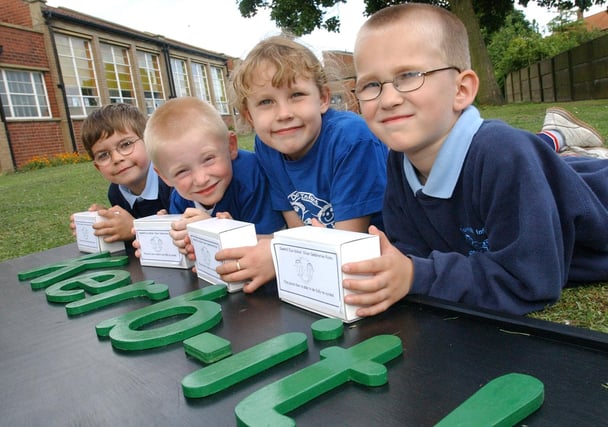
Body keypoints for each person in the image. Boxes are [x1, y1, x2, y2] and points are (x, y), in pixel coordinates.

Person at [342, 3, 608, 316]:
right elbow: (410, 251)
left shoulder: (503, 154)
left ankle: (570, 146)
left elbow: (530, 283)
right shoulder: (399, 162)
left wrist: (417, 276)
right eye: (371, 84)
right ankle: (559, 141)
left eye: (409, 75)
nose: (388, 99)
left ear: (462, 89)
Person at [214, 35, 389, 292]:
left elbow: (348, 245)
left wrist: (276, 256)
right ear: (249, 116)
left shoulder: (351, 139)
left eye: (296, 95)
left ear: (323, 99)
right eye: (266, 102)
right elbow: (299, 234)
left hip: (377, 273)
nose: (284, 114)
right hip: (323, 273)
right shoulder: (269, 146)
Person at [141, 97, 286, 257]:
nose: (201, 179)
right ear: (164, 176)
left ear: (231, 146)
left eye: (208, 159)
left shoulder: (251, 177)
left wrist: (216, 229)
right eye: (182, 171)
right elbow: (189, 252)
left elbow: (276, 244)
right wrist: (177, 241)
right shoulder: (180, 197)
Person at [70, 103, 173, 251]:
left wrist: (133, 228)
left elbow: (186, 234)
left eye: (125, 144)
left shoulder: (171, 181)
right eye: (103, 155)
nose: (117, 158)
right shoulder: (116, 192)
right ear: (98, 167)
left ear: (149, 142)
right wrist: (107, 222)